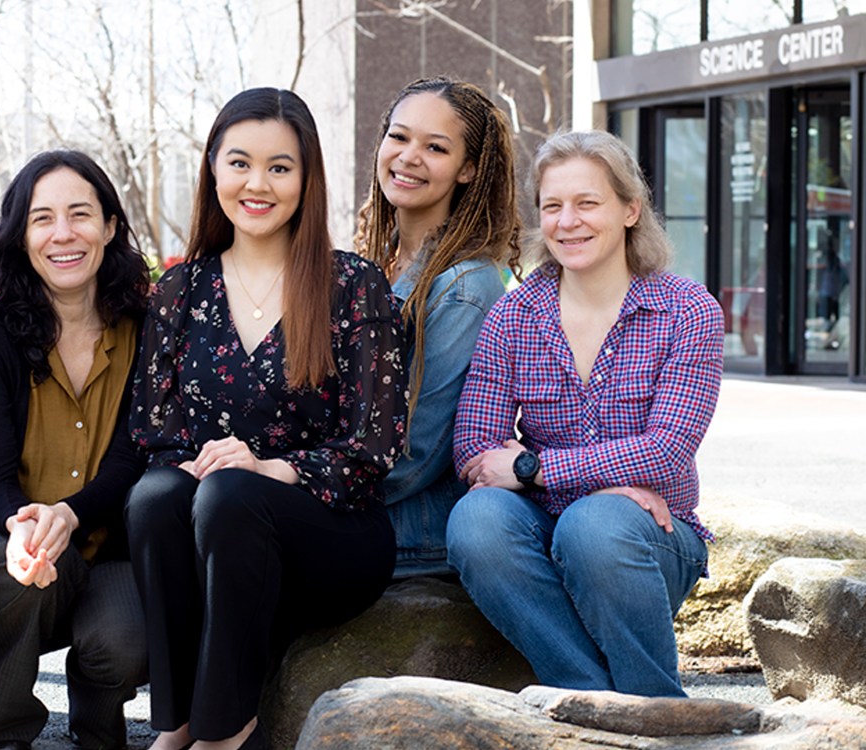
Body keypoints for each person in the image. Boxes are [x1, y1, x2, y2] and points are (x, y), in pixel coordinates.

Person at [125, 87, 406, 750]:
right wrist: (199, 464)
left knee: (231, 494)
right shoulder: (178, 289)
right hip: (211, 529)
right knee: (155, 495)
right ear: (213, 170)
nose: (258, 183)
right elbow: (154, 432)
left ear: (307, 179)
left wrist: (270, 467)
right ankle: (175, 724)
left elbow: (375, 445)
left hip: (329, 535)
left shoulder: (353, 286)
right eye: (240, 162)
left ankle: (228, 731)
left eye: (280, 167)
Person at [445, 129, 723, 698]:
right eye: (552, 206)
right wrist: (607, 478)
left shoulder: (689, 310)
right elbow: (475, 450)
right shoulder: (514, 315)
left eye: (587, 202)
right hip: (542, 530)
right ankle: (586, 695)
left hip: (650, 539)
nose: (567, 221)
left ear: (629, 209)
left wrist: (532, 470)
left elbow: (665, 451)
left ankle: (654, 704)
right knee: (477, 521)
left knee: (594, 526)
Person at [0, 150, 150, 750]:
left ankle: (99, 726)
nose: (63, 234)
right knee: (19, 576)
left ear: (109, 226)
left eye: (80, 214)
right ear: (21, 236)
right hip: (11, 545)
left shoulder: (146, 328)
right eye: (42, 219)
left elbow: (133, 459)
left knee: (126, 640)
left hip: (108, 548)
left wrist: (72, 513)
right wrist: (26, 526)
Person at [354, 77, 519, 578]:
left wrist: (305, 484)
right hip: (355, 492)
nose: (408, 156)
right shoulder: (376, 265)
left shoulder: (466, 286)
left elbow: (419, 453)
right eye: (399, 137)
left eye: (436, 147)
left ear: (468, 169)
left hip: (409, 523)